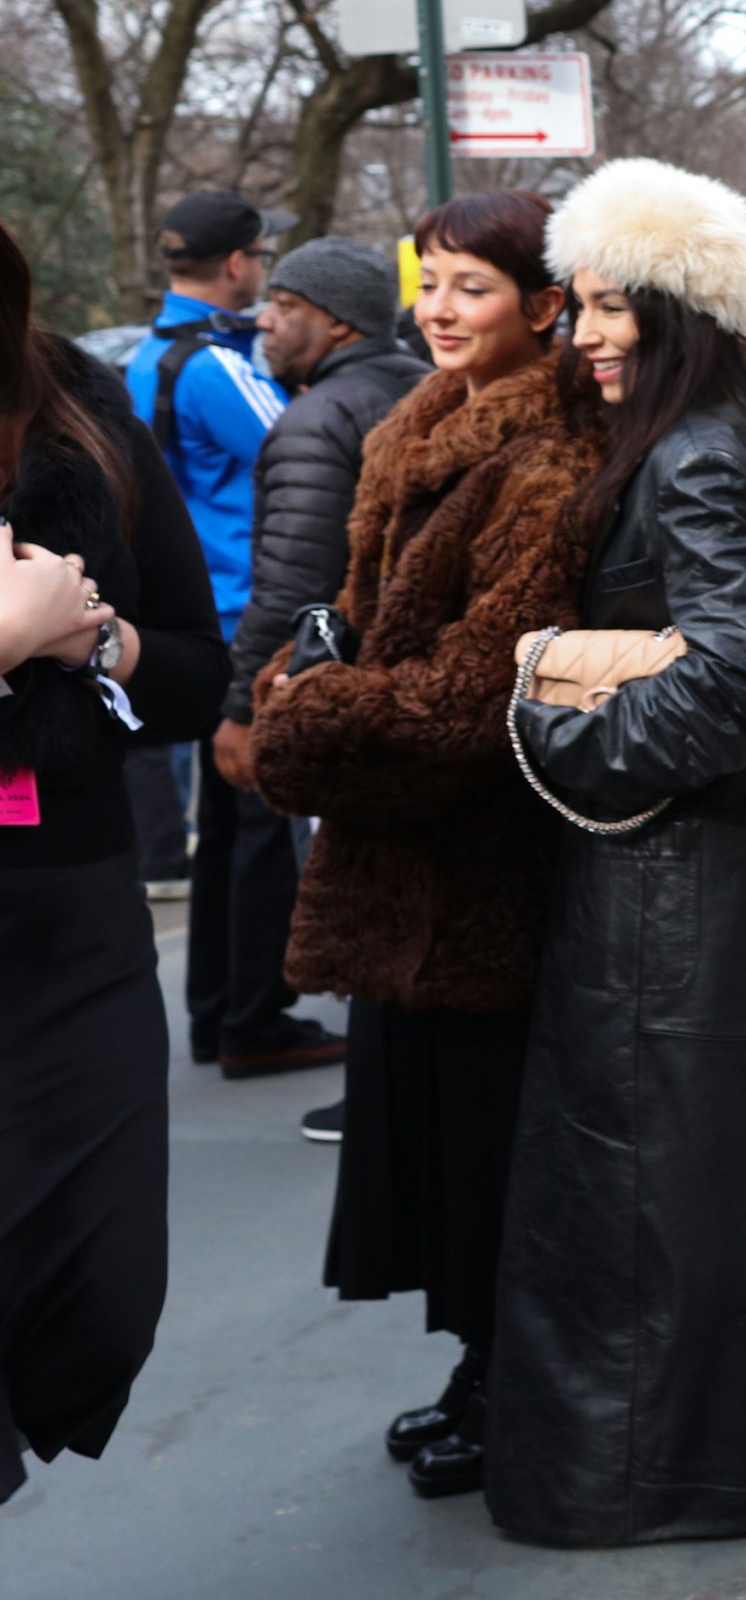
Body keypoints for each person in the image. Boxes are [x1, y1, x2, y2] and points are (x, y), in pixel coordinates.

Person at [487, 158, 746, 1547]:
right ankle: (732, 1458)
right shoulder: (702, 435)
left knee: (656, 1197)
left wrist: (546, 728)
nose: (583, 333)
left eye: (608, 306)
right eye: (579, 305)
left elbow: (732, 684)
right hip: (700, 888)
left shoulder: (698, 447)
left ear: (677, 312)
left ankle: (667, 1475)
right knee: (675, 1192)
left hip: (682, 896)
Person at [249, 191, 598, 1500]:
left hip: (485, 859)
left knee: (489, 1150)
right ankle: (477, 1372)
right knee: (440, 1149)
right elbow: (350, 617)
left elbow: (476, 690)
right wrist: (307, 685)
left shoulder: (549, 456)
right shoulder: (413, 430)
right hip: (406, 853)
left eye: (474, 288)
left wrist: (302, 714)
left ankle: (517, 1393)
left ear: (543, 307)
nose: (441, 311)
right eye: (431, 285)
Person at [0, 218, 228, 1503]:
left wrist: (91, 641)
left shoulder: (81, 409)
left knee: (100, 1276)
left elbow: (197, 668)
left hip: (69, 902)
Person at [214, 237, 429, 1145]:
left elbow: (293, 581)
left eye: (284, 306)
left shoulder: (315, 420)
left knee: (350, 888)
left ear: (335, 317)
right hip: (422, 689)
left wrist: (239, 711)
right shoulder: (423, 389)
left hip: (338, 693)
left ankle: (381, 1099)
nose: (265, 319)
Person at [127, 188, 342, 1080]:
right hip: (246, 613)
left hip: (199, 611)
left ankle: (219, 1010)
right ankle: (257, 1017)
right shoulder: (216, 367)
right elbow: (298, 451)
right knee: (260, 826)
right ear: (238, 265)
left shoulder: (149, 355)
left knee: (223, 828)